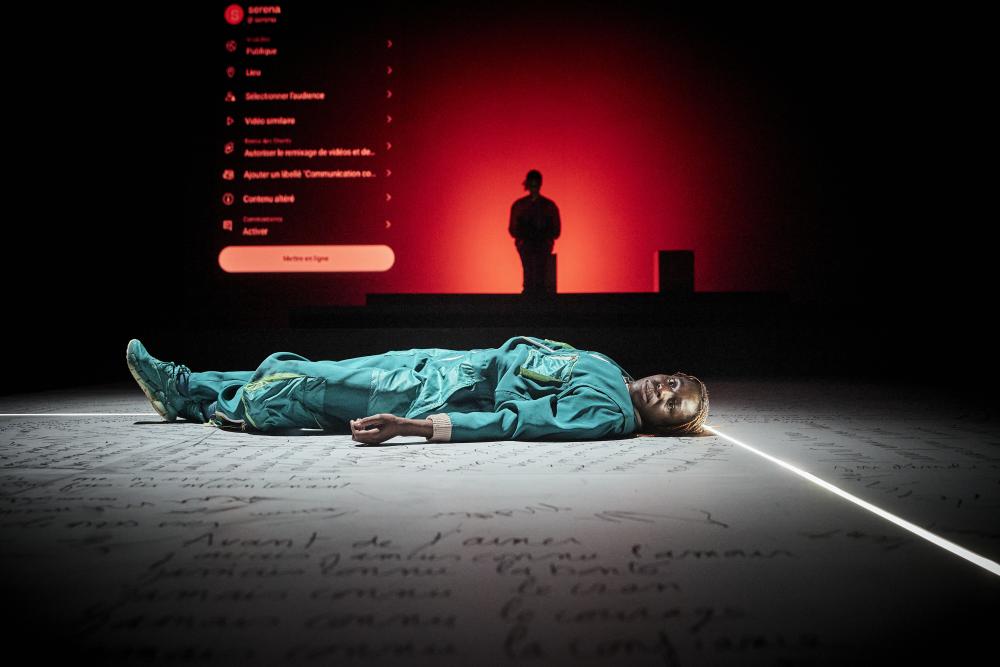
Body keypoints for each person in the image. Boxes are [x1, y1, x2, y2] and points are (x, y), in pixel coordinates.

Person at [125, 334, 709, 444]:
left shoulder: (605, 412)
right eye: (676, 382)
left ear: (666, 424)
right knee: (316, 369)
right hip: (445, 363)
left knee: (305, 385)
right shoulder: (611, 367)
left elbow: (515, 424)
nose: (666, 389)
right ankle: (191, 387)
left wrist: (414, 427)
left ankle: (191, 397)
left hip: (435, 396)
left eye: (673, 404)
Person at [509, 169, 561, 294]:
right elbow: (513, 229)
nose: (533, 188)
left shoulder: (546, 206)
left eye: (535, 185)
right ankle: (534, 290)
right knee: (533, 270)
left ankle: (533, 291)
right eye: (532, 185)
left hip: (539, 243)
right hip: (530, 243)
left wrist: (540, 235)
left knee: (535, 270)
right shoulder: (546, 205)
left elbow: (556, 231)